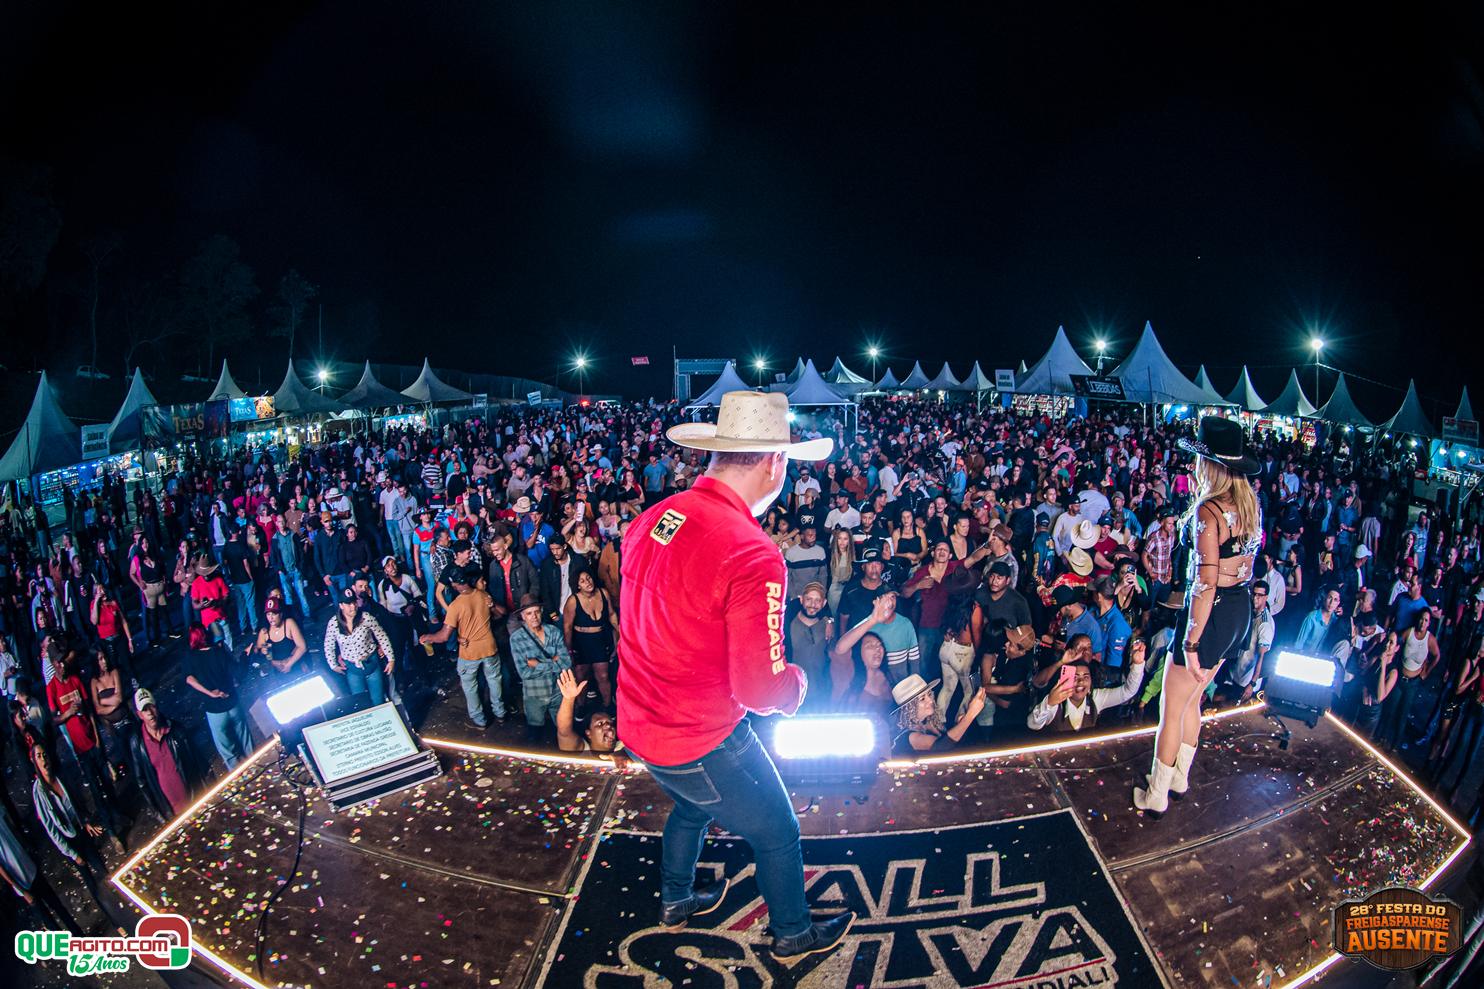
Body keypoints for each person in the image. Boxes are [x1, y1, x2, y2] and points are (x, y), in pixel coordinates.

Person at [617, 391, 853, 957]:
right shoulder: (751, 551)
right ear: (775, 463)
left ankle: (676, 899)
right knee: (778, 831)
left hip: (640, 722)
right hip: (699, 734)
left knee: (694, 805)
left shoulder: (656, 517)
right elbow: (759, 688)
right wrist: (797, 686)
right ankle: (793, 934)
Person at [1135, 417, 1261, 816]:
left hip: (1211, 611)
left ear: (1212, 466)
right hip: (1238, 609)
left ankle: (1156, 794)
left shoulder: (1210, 510)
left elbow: (1205, 582)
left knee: (1171, 707)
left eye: (1199, 460)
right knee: (1192, 698)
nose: (1194, 467)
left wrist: (1191, 642)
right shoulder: (1249, 505)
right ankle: (1179, 778)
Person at [421, 566, 505, 728]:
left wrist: (428, 637)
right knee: (494, 681)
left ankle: (479, 719)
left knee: (470, 686)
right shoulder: (483, 595)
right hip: (489, 648)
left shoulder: (455, 606)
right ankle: (500, 712)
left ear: (454, 584)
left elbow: (444, 636)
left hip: (469, 653)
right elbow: (499, 613)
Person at [0, 799, 83, 934]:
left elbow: (13, 829)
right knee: (49, 920)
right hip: (22, 881)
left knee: (58, 907)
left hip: (30, 866)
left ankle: (79, 937)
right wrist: (22, 890)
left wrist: (28, 849)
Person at [1029, 640, 1148, 731]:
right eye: (1075, 677)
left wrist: (1137, 664)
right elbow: (1033, 724)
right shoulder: (1055, 701)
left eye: (1086, 677)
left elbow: (1128, 691)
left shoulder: (1096, 698)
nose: (1081, 682)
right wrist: (1049, 703)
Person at [184, 624, 254, 769]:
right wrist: (245, 655)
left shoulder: (191, 657)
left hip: (215, 711)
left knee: (228, 752)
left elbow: (189, 679)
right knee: (246, 741)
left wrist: (209, 693)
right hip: (232, 704)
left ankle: (240, 777)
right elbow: (239, 673)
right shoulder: (219, 652)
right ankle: (258, 767)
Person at [127, 688, 203, 821]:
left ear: (156, 707)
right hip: (171, 814)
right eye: (145, 710)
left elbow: (196, 761)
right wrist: (158, 814)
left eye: (151, 707)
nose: (150, 713)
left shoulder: (176, 730)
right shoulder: (137, 742)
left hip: (194, 801)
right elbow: (142, 781)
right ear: (139, 715)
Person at [511, 593, 572, 740]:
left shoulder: (553, 631)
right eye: (529, 613)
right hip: (535, 694)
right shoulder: (517, 639)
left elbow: (567, 663)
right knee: (535, 732)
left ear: (542, 612)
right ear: (523, 616)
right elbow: (524, 673)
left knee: (563, 730)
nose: (534, 617)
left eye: (537, 612)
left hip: (558, 691)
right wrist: (553, 662)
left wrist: (538, 664)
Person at [324, 587, 397, 706]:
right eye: (348, 604)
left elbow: (381, 636)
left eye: (354, 602)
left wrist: (391, 658)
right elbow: (328, 644)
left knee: (378, 700)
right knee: (361, 703)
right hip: (352, 668)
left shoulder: (366, 617)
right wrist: (333, 664)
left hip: (371, 663)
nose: (353, 606)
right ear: (341, 605)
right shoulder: (334, 623)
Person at [562, 569, 619, 709]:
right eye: (582, 581)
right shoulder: (573, 601)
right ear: (578, 585)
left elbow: (611, 614)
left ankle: (608, 706)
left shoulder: (603, 593)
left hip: (600, 640)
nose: (587, 582)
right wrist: (569, 650)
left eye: (588, 578)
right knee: (581, 677)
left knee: (603, 676)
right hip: (581, 642)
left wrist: (620, 632)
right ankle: (581, 707)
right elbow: (567, 627)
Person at [891, 672, 987, 753]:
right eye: (922, 699)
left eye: (929, 694)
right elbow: (942, 746)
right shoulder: (909, 736)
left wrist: (960, 723)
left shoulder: (929, 722)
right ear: (909, 708)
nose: (930, 700)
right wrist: (970, 715)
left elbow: (950, 741)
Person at [555, 669, 621, 756]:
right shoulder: (580, 750)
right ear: (588, 733)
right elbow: (564, 731)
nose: (609, 726)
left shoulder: (625, 747)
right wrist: (569, 698)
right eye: (600, 723)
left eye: (610, 723)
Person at [253, 598, 308, 684]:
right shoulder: (264, 632)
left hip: (297, 667)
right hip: (280, 674)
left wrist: (289, 664)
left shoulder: (289, 623)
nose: (271, 618)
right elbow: (262, 654)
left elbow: (302, 647)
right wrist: (267, 656)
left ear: (281, 614)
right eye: (268, 614)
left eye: (274, 614)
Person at [190, 554, 235, 652]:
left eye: (208, 572)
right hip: (208, 622)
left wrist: (218, 603)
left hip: (221, 618)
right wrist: (202, 605)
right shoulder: (196, 583)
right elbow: (194, 604)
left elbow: (227, 596)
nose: (206, 575)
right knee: (216, 649)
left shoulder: (218, 579)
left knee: (229, 647)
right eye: (204, 573)